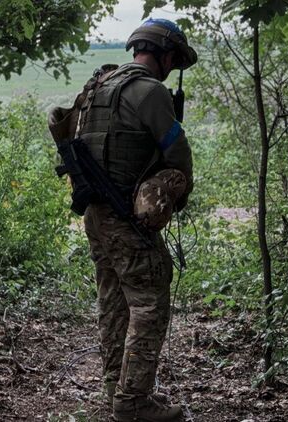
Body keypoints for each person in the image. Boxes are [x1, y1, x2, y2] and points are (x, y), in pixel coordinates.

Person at [77, 19, 196, 422]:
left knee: (113, 302)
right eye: (173, 59)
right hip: (127, 218)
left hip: (96, 214)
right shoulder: (150, 92)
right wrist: (174, 194)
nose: (172, 67)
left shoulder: (99, 85)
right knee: (149, 306)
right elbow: (177, 155)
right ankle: (133, 402)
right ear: (163, 53)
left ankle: (117, 388)